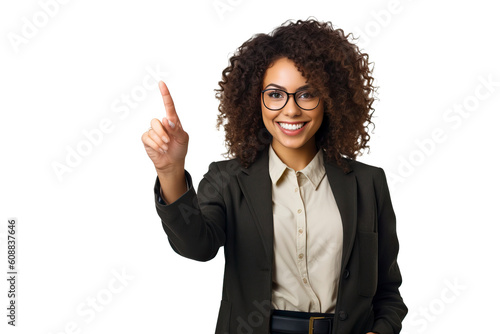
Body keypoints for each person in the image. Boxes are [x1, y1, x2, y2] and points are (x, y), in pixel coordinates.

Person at [141, 18, 407, 334]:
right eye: (275, 94)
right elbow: (196, 247)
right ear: (257, 100)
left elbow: (388, 293)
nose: (291, 110)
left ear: (330, 100)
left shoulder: (367, 183)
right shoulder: (227, 179)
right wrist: (170, 172)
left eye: (307, 94)